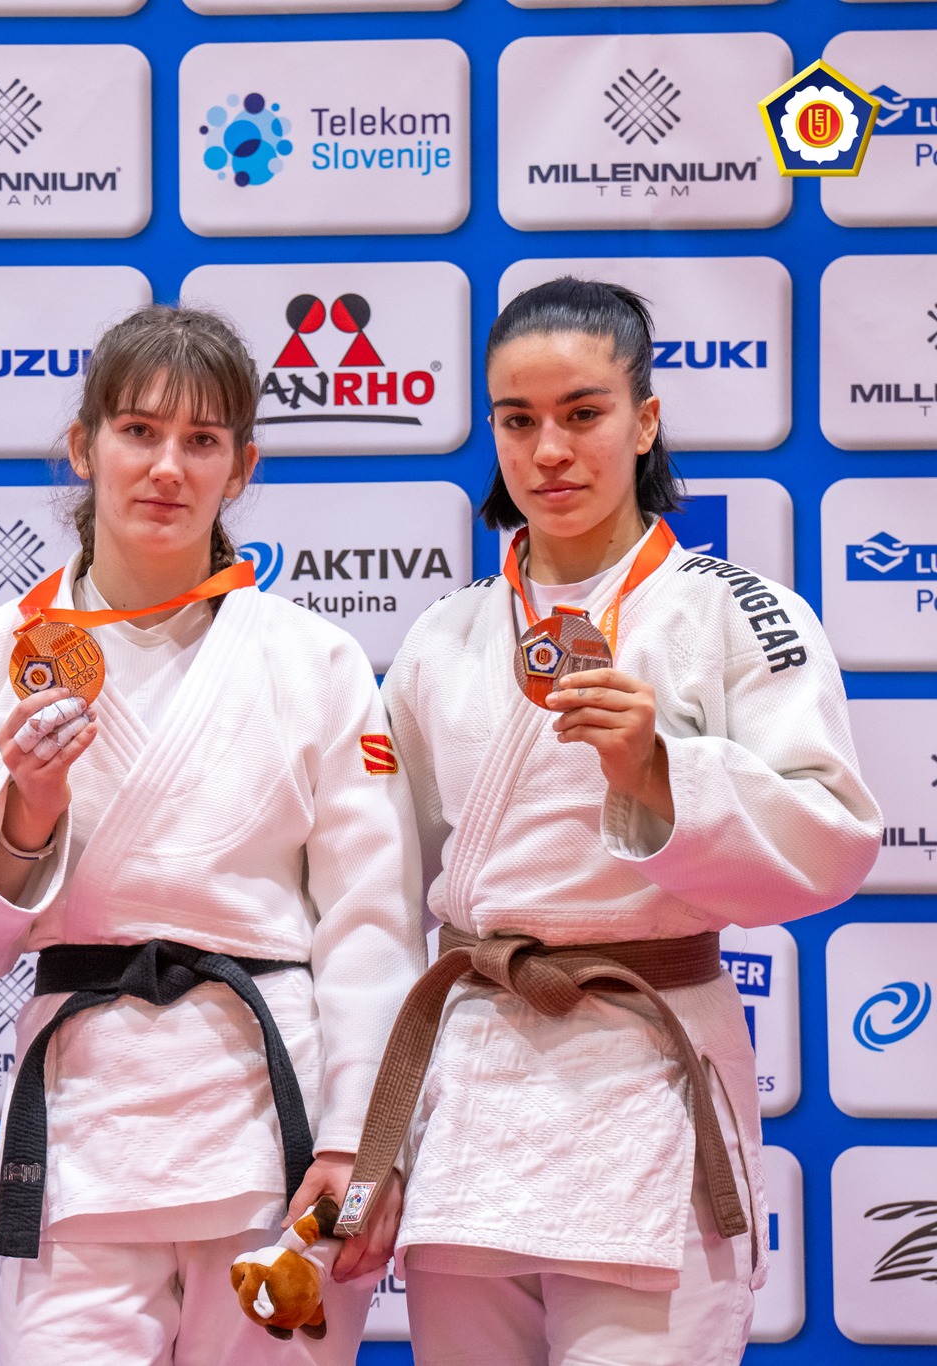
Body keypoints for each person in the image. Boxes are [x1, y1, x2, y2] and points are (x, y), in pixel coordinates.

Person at [353, 277, 882, 1365]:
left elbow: (829, 839)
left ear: (644, 422)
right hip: (474, 1093)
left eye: (582, 413)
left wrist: (659, 770)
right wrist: (370, 1134)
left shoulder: (734, 612)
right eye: (517, 421)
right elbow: (376, 887)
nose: (547, 450)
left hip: (644, 1073)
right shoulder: (442, 637)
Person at [0, 303, 425, 1366]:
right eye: (137, 431)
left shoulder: (312, 659)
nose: (167, 468)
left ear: (242, 467)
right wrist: (26, 811)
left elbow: (370, 924)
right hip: (84, 1126)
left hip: (270, 1128)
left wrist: (357, 1143)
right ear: (82, 445)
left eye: (202, 440)